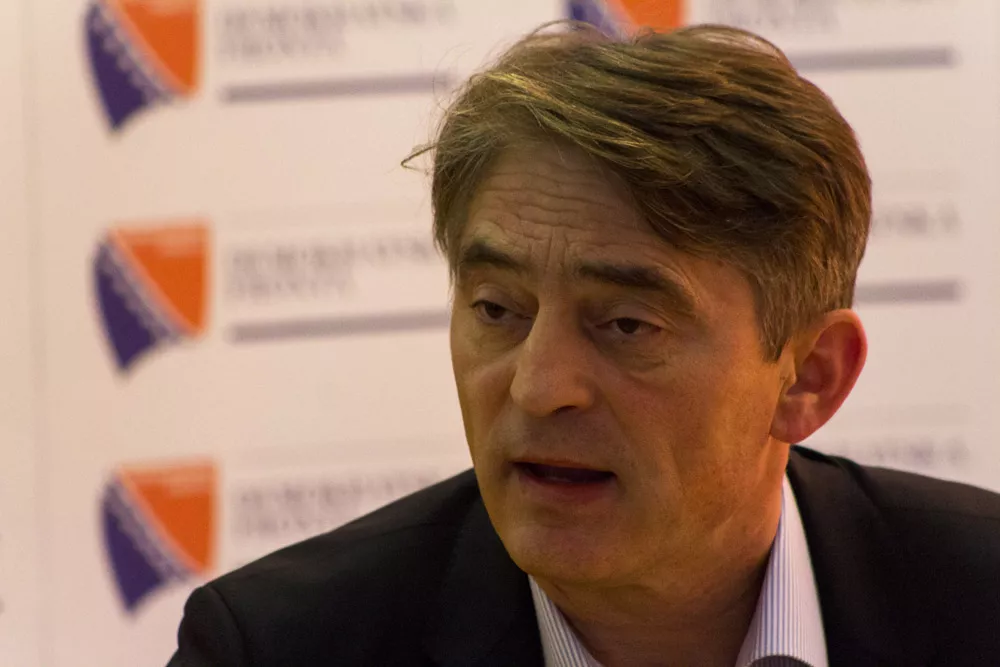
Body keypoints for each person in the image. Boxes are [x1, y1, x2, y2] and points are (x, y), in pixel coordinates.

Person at [167, 22, 1000, 667]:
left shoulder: (979, 595)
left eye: (627, 325)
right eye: (498, 308)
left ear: (809, 377)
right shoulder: (277, 647)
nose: (538, 386)